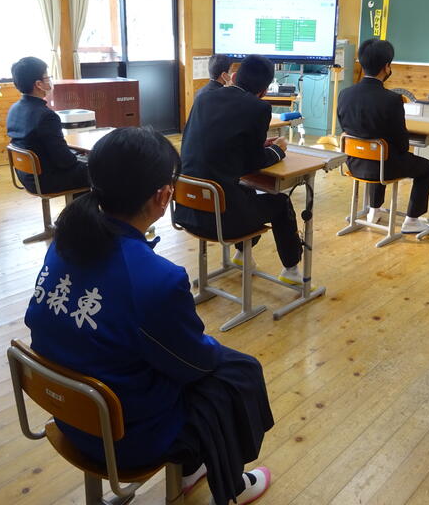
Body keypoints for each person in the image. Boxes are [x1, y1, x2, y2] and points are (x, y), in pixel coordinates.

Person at [25, 127, 273, 505]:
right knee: (239, 373)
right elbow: (196, 363)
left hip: (68, 413)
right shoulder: (156, 278)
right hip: (124, 438)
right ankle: (230, 484)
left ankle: (192, 469)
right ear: (163, 196)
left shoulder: (66, 239)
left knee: (213, 366)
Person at [175, 54, 303, 283]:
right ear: (264, 91)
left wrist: (255, 146)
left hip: (186, 207)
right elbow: (253, 163)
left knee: (246, 192)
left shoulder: (203, 98)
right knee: (280, 202)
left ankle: (243, 255)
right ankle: (291, 272)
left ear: (233, 77)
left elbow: (218, 145)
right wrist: (278, 150)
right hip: (221, 220)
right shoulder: (258, 108)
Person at [337, 39, 429, 235]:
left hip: (353, 162)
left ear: (362, 63)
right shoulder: (392, 99)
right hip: (383, 166)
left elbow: (346, 127)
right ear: (386, 67)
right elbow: (401, 142)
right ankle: (412, 220)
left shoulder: (345, 93)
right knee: (426, 168)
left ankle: (374, 210)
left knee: (379, 150)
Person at [6, 57, 88, 194]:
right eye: (48, 77)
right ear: (39, 84)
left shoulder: (14, 109)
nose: (50, 80)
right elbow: (64, 161)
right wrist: (83, 159)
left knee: (86, 167)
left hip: (26, 176)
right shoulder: (46, 116)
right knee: (102, 169)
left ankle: (81, 207)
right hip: (47, 180)